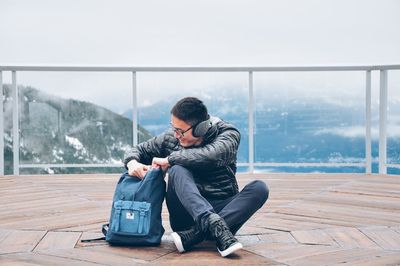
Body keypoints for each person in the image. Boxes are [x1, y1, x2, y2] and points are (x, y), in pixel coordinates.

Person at [124, 97, 269, 257]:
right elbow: (138, 150)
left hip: (224, 215)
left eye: (180, 131)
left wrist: (169, 159)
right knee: (177, 169)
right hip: (185, 216)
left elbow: (211, 155)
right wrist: (132, 163)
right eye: (174, 128)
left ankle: (196, 235)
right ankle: (209, 228)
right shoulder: (171, 138)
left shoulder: (228, 134)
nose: (176, 134)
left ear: (200, 128)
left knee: (260, 188)